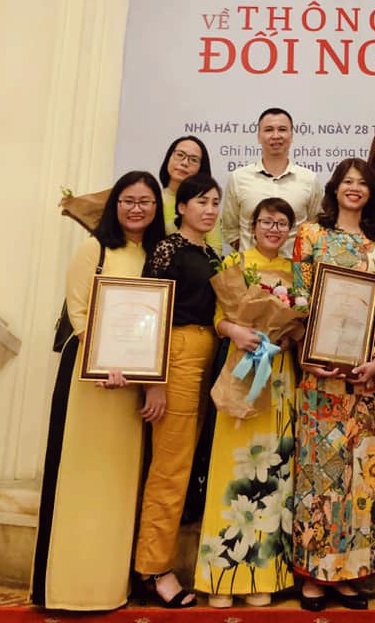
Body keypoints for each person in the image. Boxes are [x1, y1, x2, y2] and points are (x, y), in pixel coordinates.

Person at [31, 171, 165, 610]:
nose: (136, 209)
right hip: (89, 380)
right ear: (115, 204)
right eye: (128, 200)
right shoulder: (94, 248)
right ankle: (64, 589)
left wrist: (148, 379)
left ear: (157, 208)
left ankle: (109, 588)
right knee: (80, 476)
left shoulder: (156, 256)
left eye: (145, 202)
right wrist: (105, 360)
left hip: (132, 385)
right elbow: (79, 312)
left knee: (118, 483)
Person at [292, 158, 375, 611]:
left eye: (362, 183)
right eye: (347, 182)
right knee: (319, 474)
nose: (354, 188)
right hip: (320, 376)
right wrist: (310, 353)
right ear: (334, 189)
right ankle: (315, 573)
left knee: (360, 476)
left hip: (366, 378)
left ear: (372, 192)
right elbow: (299, 300)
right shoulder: (311, 235)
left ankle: (350, 572)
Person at [195, 197, 297, 608]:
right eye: (266, 221)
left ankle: (261, 574)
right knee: (232, 469)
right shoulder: (234, 264)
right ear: (252, 226)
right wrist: (236, 331)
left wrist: (286, 338)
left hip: (280, 376)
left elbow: (300, 325)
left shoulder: (297, 270)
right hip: (241, 370)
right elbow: (217, 318)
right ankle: (220, 576)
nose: (273, 229)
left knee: (274, 473)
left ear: (289, 230)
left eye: (281, 223)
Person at [134, 174, 222, 608]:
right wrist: (154, 381)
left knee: (188, 465)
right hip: (177, 354)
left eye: (215, 202)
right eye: (201, 201)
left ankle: (155, 563)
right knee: (170, 468)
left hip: (209, 356)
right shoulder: (168, 249)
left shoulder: (213, 254)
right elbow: (150, 312)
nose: (209, 209)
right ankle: (152, 570)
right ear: (181, 207)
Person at [222, 107, 323, 257]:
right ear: (259, 136)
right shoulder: (238, 178)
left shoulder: (309, 179)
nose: (276, 136)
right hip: (248, 269)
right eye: (269, 130)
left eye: (282, 129)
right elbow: (230, 229)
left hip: (293, 269)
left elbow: (315, 229)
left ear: (291, 135)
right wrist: (252, 256)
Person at [158, 135, 222, 253]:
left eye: (193, 159)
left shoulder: (208, 205)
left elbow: (215, 249)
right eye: (180, 155)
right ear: (169, 157)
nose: (184, 163)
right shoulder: (154, 199)